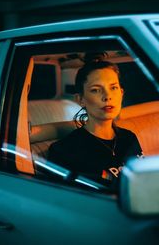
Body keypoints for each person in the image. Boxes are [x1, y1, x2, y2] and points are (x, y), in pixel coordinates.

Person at [47, 54, 142, 188]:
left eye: (113, 88)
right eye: (96, 90)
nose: (107, 96)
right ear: (80, 99)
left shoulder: (129, 137)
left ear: (121, 93)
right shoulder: (64, 151)